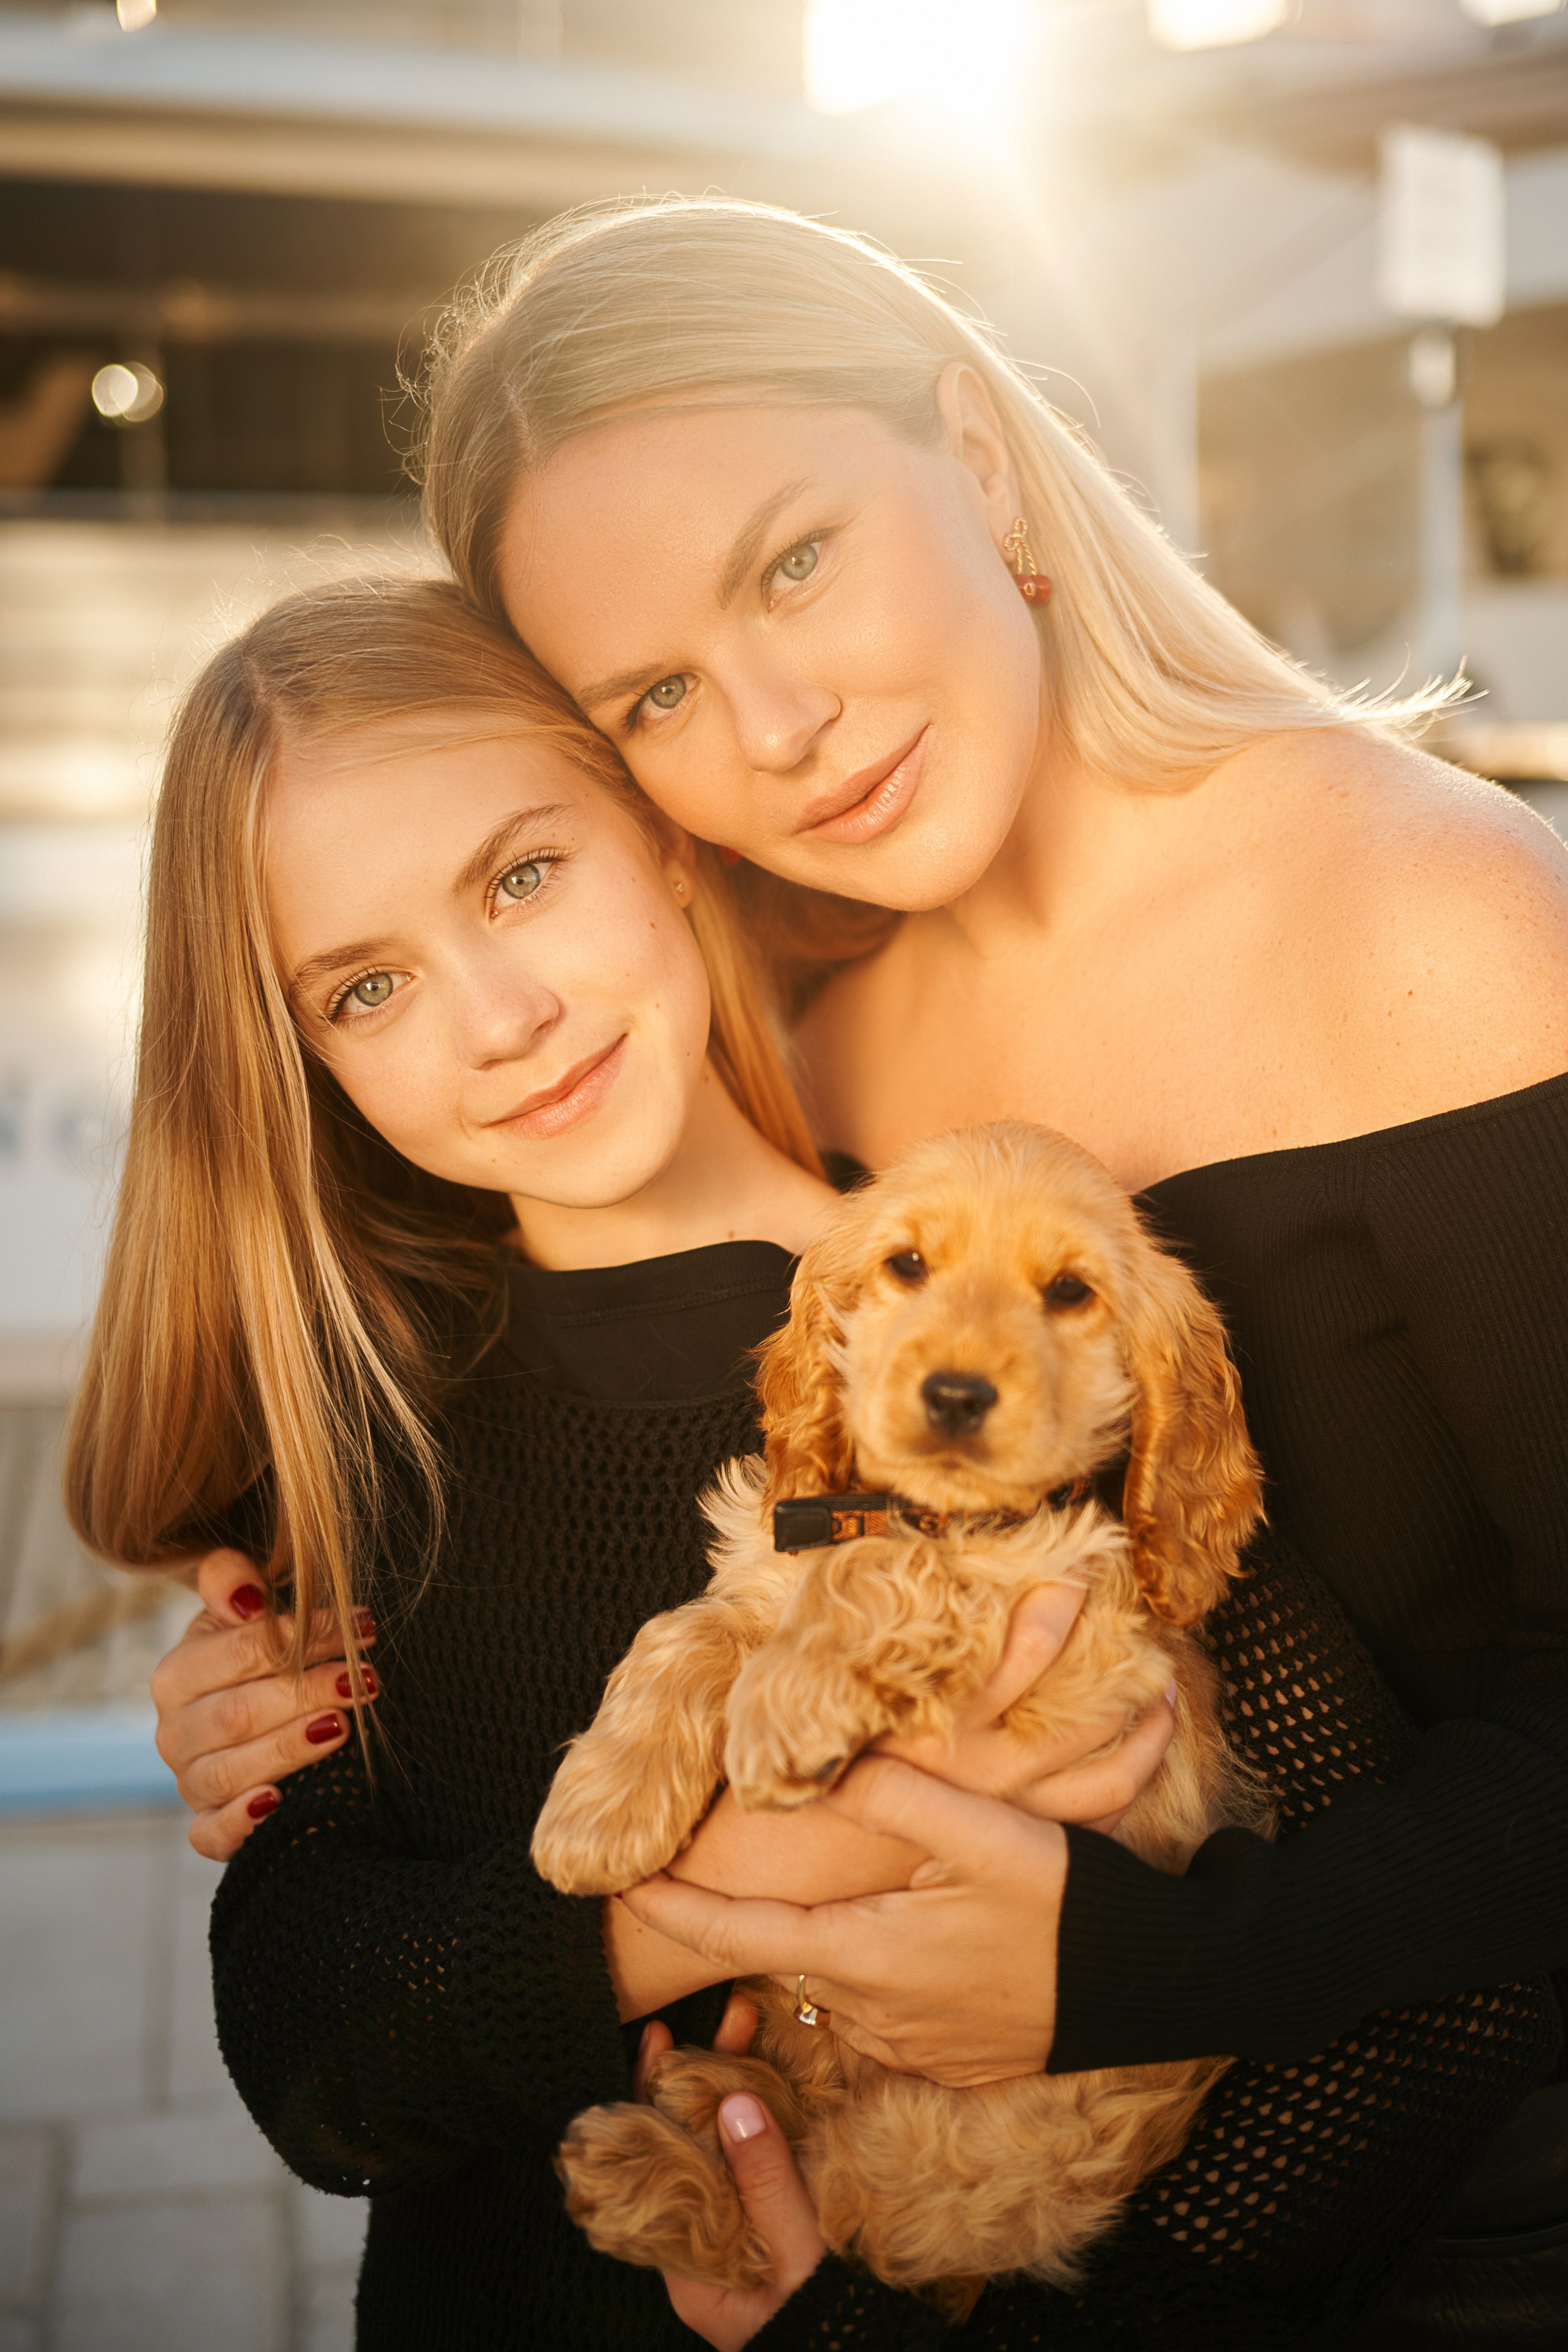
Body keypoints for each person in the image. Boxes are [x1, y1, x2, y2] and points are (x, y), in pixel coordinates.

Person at [141, 194, 1568, 2340]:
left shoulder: (1445, 926)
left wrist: (1123, 1966)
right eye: (661, 690)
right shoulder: (802, 1023)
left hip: (1454, 2196)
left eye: (793, 558)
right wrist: (284, 1674)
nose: (784, 725)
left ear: (983, 459)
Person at [70, 576, 1204, 2350]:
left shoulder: (1007, 1327)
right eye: (370, 987)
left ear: (662, 840)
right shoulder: (362, 1441)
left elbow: (1336, 2043)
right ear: (308, 1058)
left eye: (524, 877)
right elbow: (314, 2061)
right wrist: (717, 1893)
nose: (502, 1015)